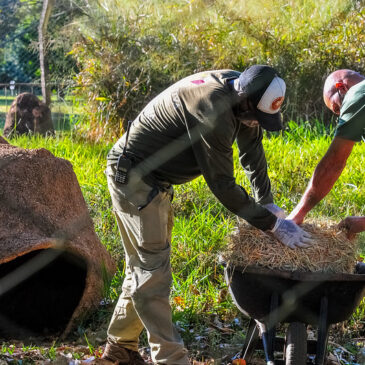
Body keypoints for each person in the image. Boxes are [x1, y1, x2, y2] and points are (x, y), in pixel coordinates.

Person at [102, 65, 313, 365]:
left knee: (144, 266)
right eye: (257, 117)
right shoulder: (213, 109)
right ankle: (172, 359)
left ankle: (120, 348)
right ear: (246, 101)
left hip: (155, 181)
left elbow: (252, 153)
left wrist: (267, 202)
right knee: (152, 270)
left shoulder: (243, 91)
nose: (256, 123)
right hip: (135, 177)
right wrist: (273, 225)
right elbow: (223, 186)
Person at [288, 69, 365, 240]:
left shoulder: (357, 94)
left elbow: (333, 164)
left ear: (342, 88)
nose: (341, 117)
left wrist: (297, 214)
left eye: (337, 108)